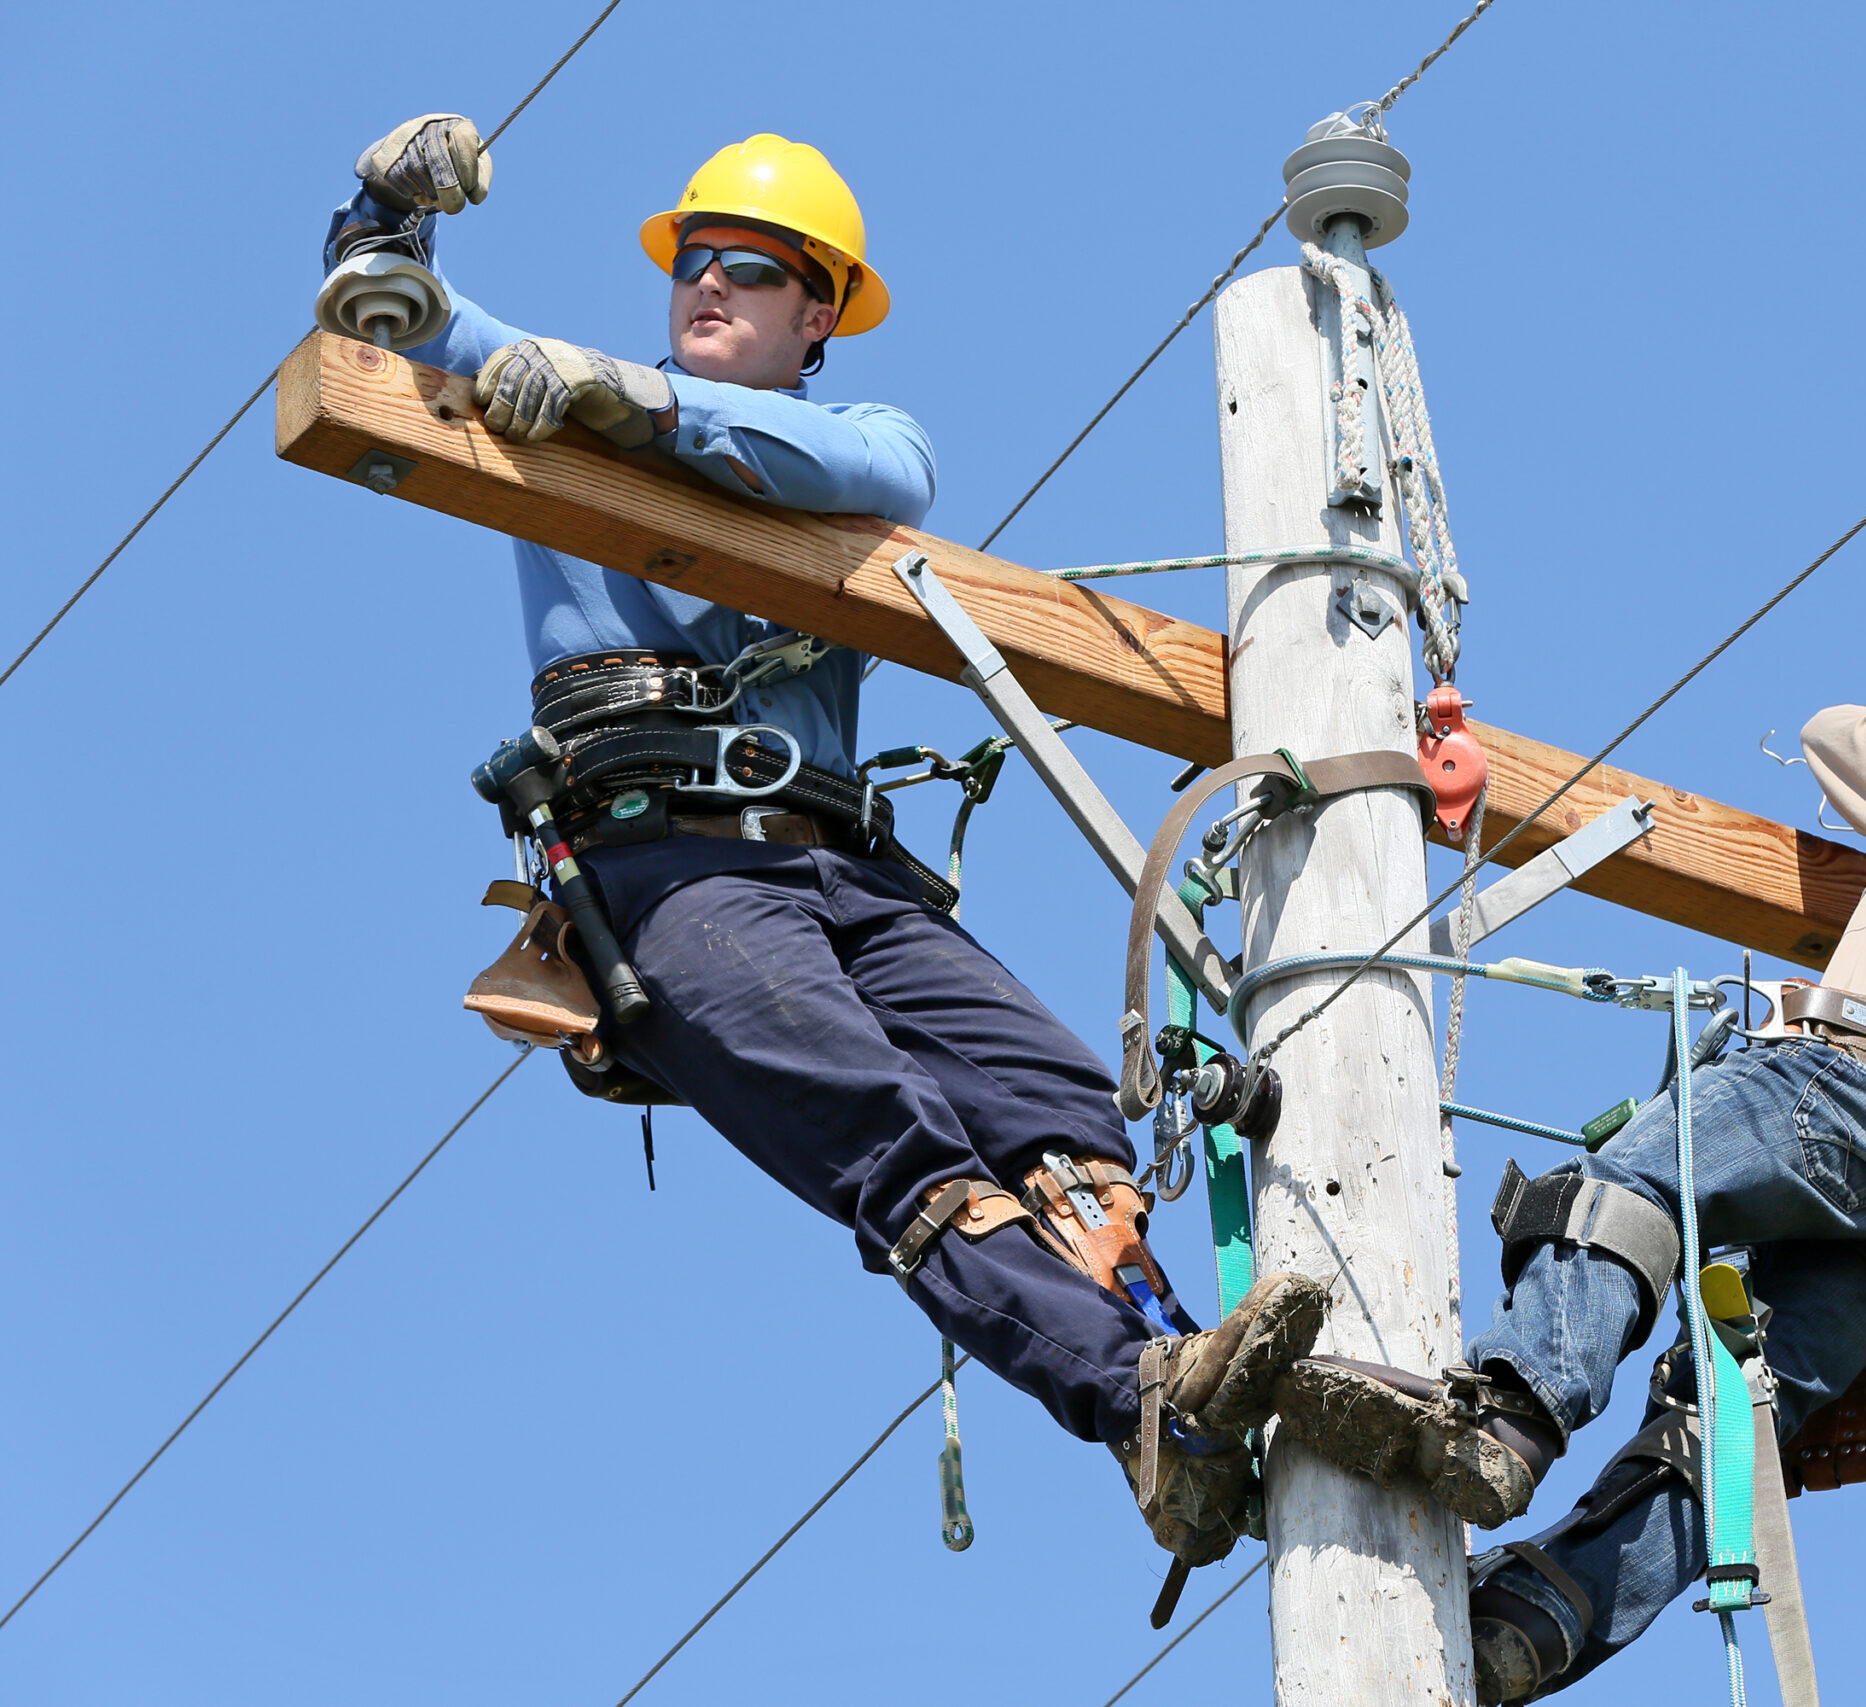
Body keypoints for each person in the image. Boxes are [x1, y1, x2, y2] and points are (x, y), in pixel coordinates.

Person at [325, 115, 1324, 1570]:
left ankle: (1178, 1360)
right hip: (668, 871)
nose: (707, 281)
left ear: (819, 317)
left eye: (752, 266)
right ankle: (1138, 1404)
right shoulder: (544, 404)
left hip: (843, 868)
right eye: (693, 259)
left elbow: (890, 470)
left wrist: (637, 401)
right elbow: (391, 311)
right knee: (888, 1131)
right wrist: (381, 205)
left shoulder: (851, 447)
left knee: (1054, 1095)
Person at [1270, 620, 1866, 1701]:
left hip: (1851, 1086)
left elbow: (1834, 734)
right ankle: (1539, 1618)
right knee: (1726, 1424)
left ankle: (1513, 1413)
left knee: (1627, 1186)